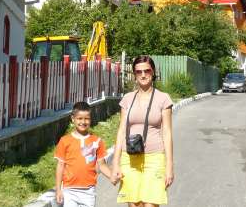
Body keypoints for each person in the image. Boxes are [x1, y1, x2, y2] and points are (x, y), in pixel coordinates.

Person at [111, 55, 174, 206]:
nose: (143, 75)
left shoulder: (163, 99)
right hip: (130, 158)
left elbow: (167, 133)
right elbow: (121, 131)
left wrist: (169, 166)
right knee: (135, 204)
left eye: (147, 71)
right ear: (134, 74)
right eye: (139, 72)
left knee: (151, 203)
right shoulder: (127, 99)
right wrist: (115, 163)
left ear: (153, 72)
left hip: (154, 158)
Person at [55, 101, 113, 207]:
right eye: (80, 118)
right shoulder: (64, 141)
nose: (83, 122)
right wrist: (58, 190)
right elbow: (60, 166)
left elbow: (102, 165)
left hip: (89, 191)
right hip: (69, 190)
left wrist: (112, 176)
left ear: (90, 119)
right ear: (73, 119)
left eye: (87, 118)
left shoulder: (97, 141)